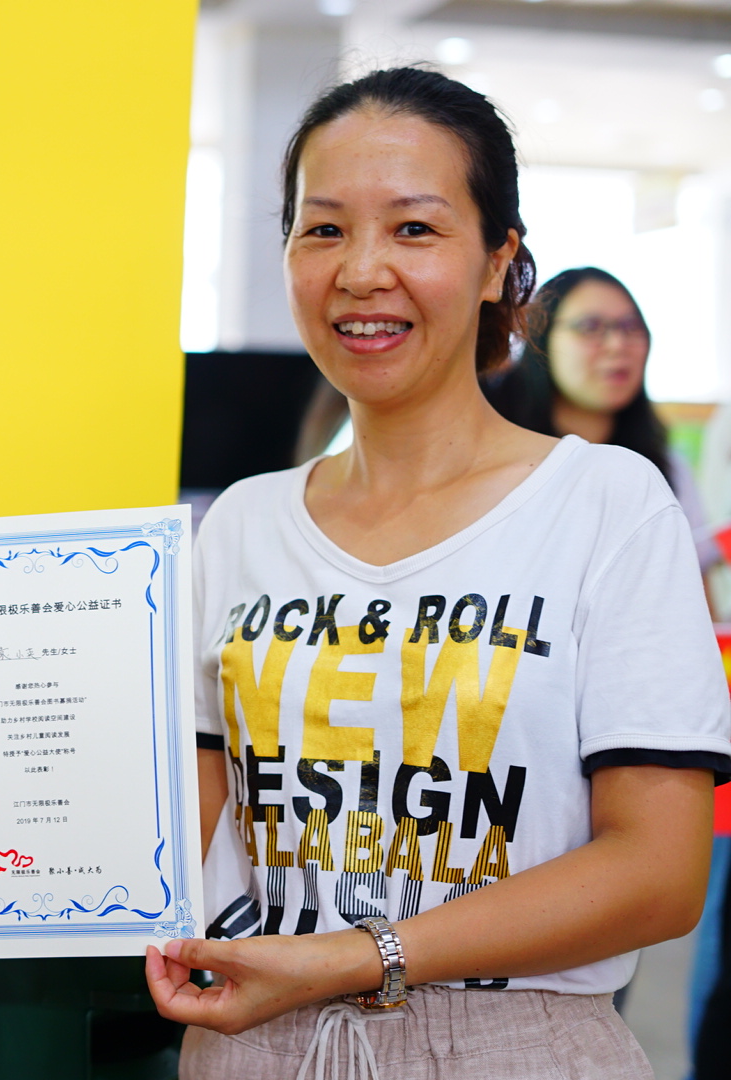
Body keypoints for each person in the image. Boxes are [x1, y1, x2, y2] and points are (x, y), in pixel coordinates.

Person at [145, 67, 730, 1078]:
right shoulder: (240, 524)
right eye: (323, 229)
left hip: (517, 1049)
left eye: (413, 228)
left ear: (500, 262)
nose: (361, 269)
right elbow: (176, 840)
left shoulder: (608, 504)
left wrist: (356, 956)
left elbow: (658, 871)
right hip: (253, 1048)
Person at [486, 266, 720, 573]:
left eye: (631, 327)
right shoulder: (491, 457)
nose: (618, 344)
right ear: (541, 336)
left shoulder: (666, 470)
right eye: (590, 327)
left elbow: (695, 588)